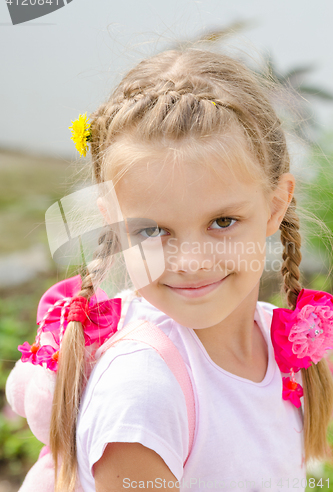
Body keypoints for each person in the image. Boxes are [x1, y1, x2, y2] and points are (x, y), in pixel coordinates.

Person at [12, 48, 333, 492]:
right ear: (114, 223)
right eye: (153, 230)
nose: (191, 261)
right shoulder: (143, 392)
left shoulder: (284, 344)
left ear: (275, 206)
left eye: (222, 222)